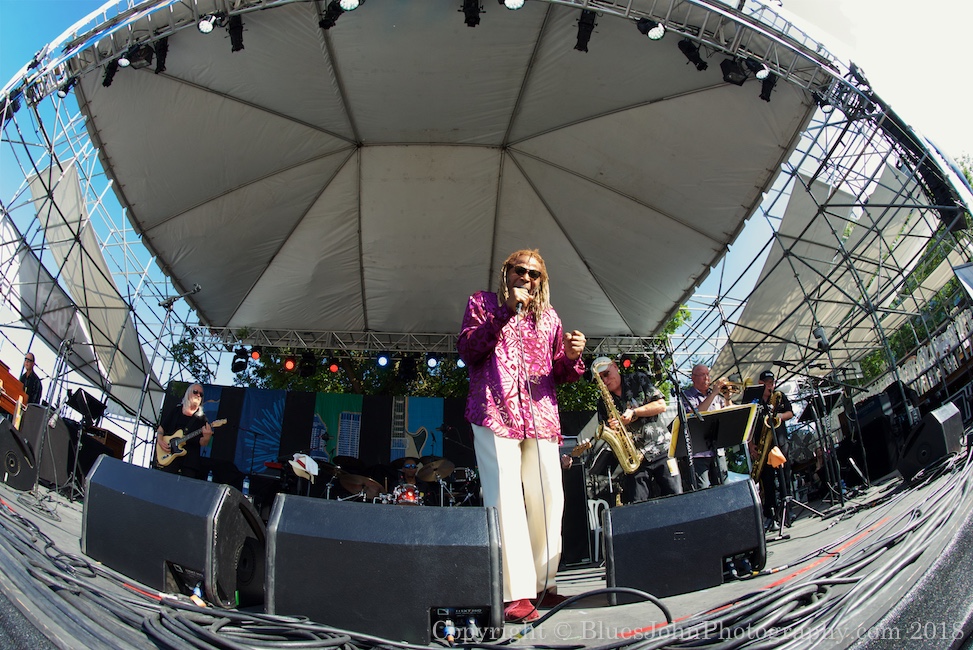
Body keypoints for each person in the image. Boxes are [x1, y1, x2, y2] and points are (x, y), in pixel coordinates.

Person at [457, 248, 586, 623]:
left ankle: (544, 584)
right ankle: (514, 593)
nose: (526, 278)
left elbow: (559, 372)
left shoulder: (550, 317)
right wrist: (504, 312)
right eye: (519, 270)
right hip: (495, 410)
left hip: (541, 416)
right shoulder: (482, 303)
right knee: (506, 499)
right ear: (506, 273)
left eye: (534, 274)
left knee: (549, 497)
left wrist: (571, 357)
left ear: (542, 280)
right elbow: (468, 350)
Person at [592, 356, 678, 504]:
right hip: (634, 460)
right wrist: (612, 427)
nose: (605, 381)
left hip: (661, 449)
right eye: (600, 379)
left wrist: (634, 412)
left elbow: (661, 405)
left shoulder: (638, 378)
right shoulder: (602, 403)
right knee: (638, 506)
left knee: (676, 498)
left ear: (615, 366)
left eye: (606, 374)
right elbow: (607, 431)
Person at [749, 370, 794, 530]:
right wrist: (750, 445)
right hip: (763, 446)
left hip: (780, 443)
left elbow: (790, 413)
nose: (770, 385)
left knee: (785, 477)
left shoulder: (779, 397)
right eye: (767, 383)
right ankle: (771, 514)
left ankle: (788, 510)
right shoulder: (754, 401)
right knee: (767, 482)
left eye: (772, 383)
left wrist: (778, 417)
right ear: (760, 383)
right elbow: (749, 425)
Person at [682, 364, 729, 489]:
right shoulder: (687, 395)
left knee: (724, 489)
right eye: (703, 375)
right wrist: (713, 394)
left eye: (708, 374)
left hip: (718, 450)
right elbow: (695, 415)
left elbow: (728, 414)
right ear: (693, 378)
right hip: (699, 452)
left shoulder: (717, 397)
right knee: (703, 490)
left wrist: (727, 397)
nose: (707, 378)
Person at [155, 383, 214, 479]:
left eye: (201, 394)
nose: (198, 395)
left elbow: (202, 442)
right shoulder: (176, 411)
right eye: (195, 392)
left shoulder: (202, 419)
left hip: (189, 462)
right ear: (188, 393)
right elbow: (161, 428)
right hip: (169, 456)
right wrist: (160, 440)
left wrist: (207, 438)